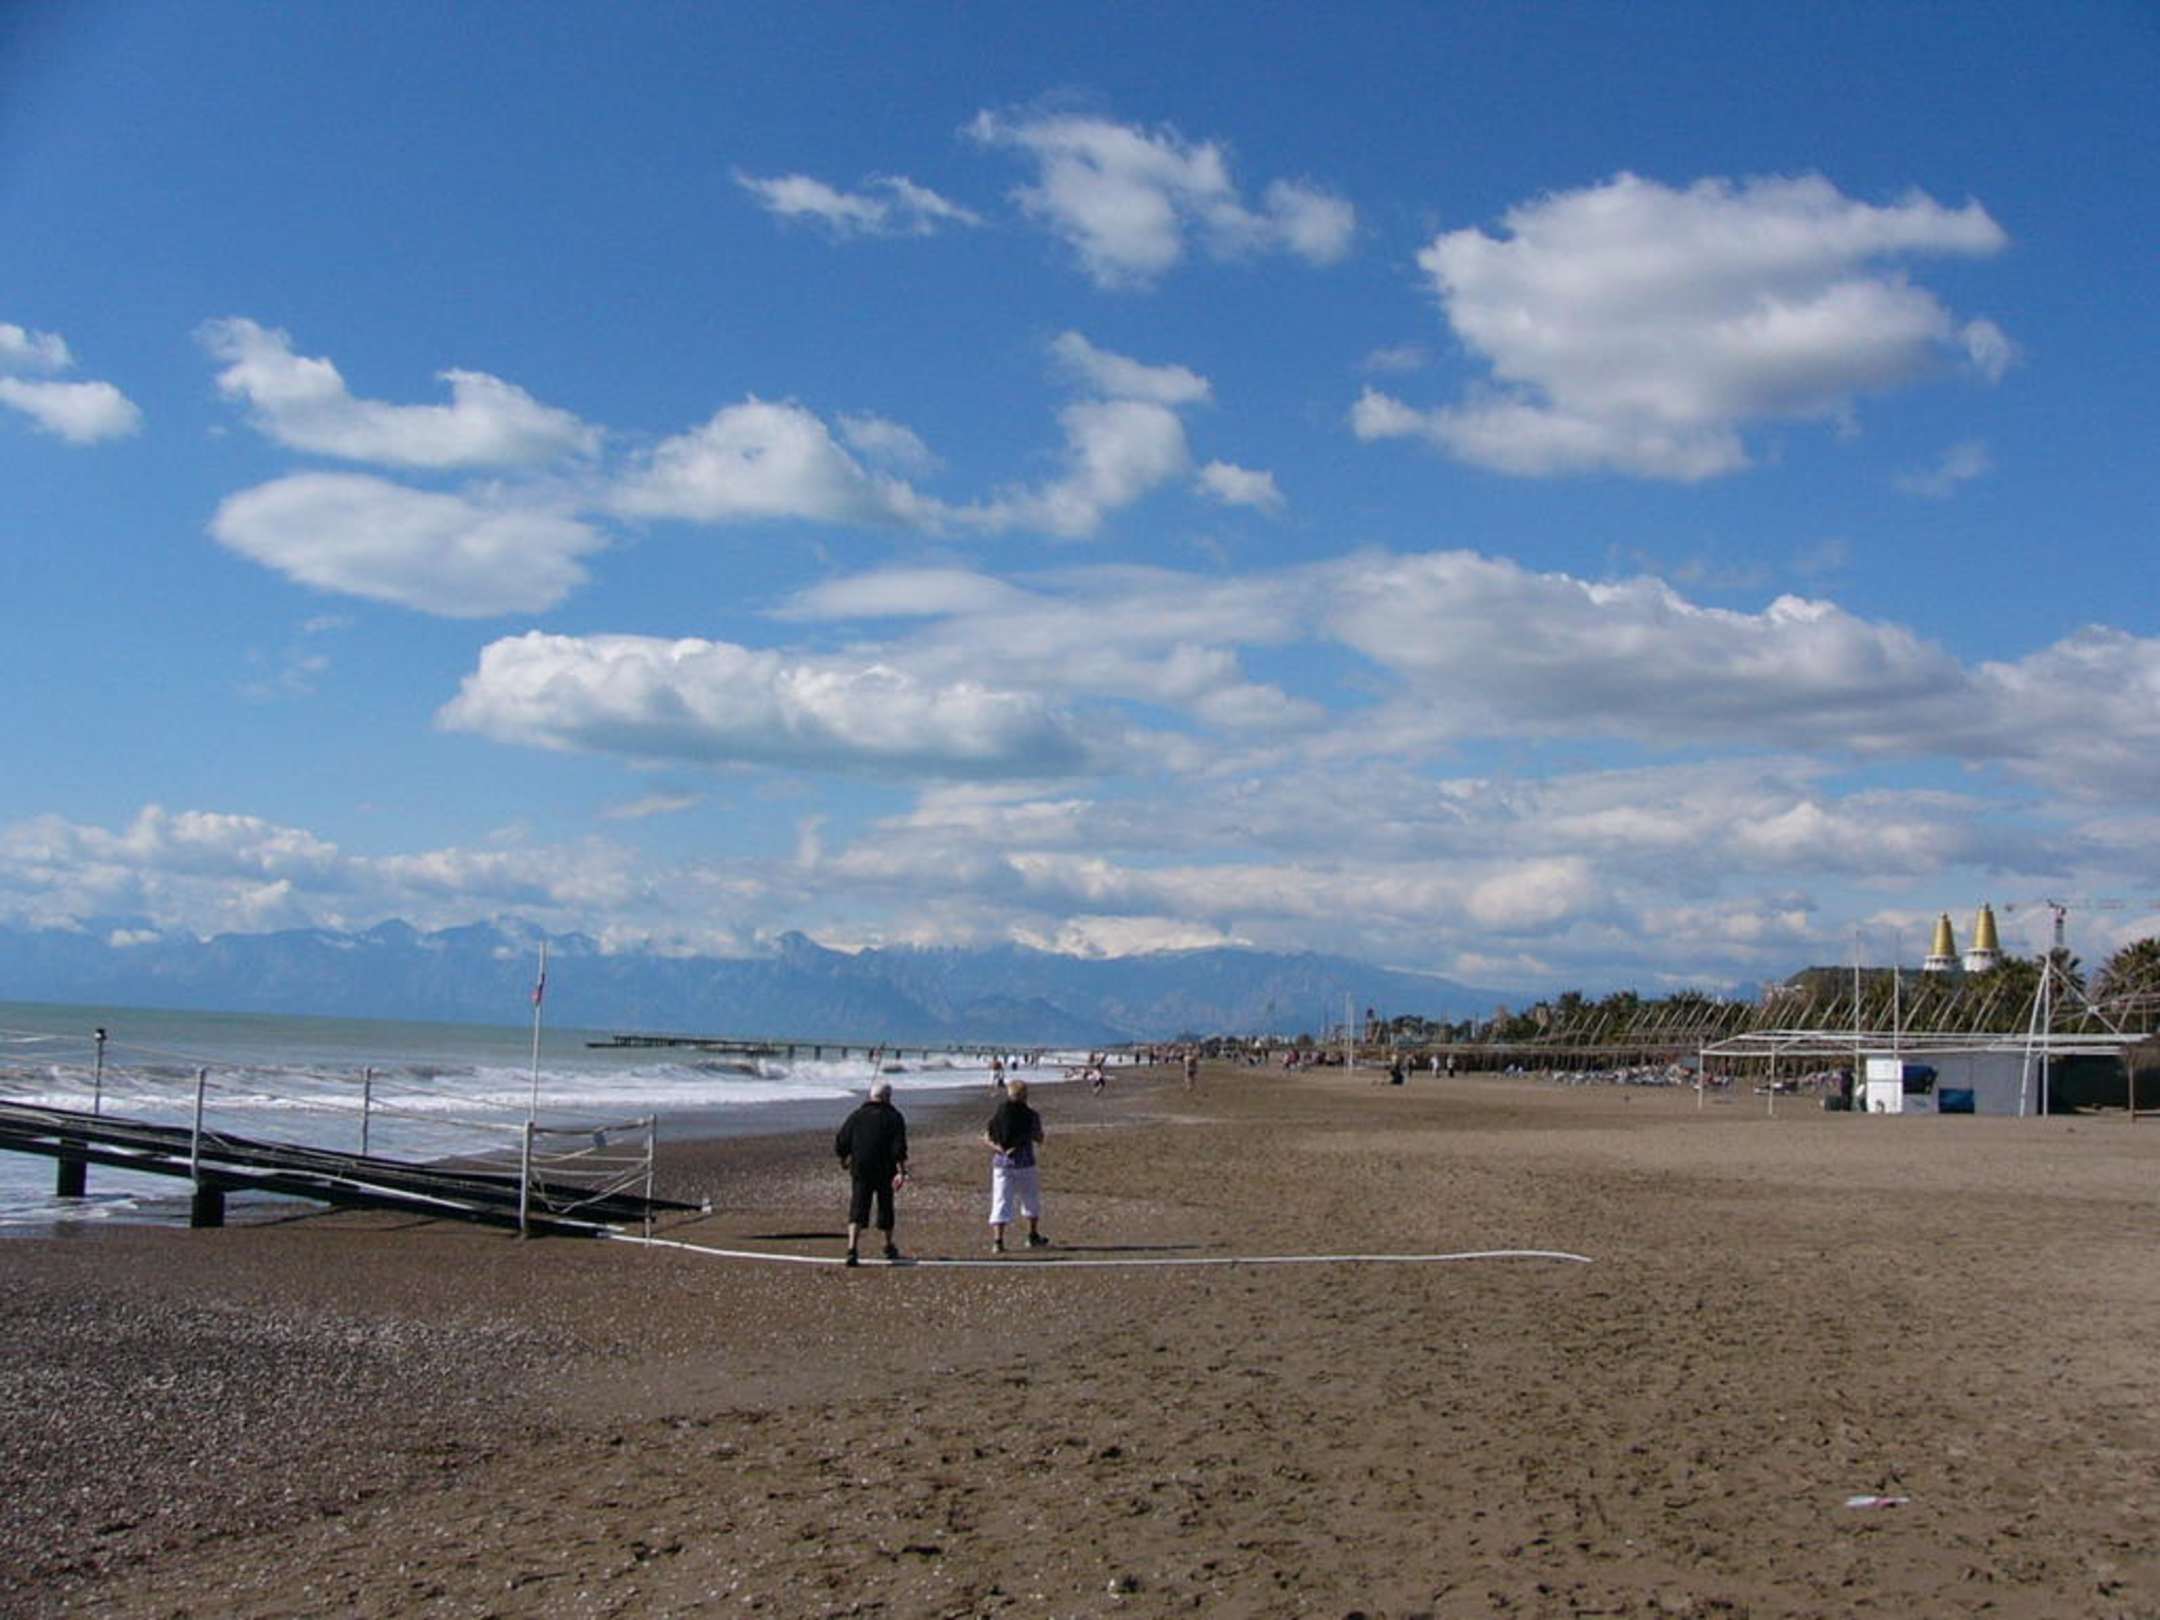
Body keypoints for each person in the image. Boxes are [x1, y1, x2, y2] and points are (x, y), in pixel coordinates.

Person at [833, 1079, 909, 1266]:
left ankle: (852, 1247)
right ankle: (888, 1245)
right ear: (888, 1097)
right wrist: (901, 1171)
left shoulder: (857, 1115)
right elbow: (898, 1147)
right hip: (885, 1169)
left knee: (858, 1206)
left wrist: (843, 1158)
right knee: (885, 1206)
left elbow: (842, 1140)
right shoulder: (894, 1117)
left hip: (861, 1167)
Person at [984, 1076, 1047, 1253]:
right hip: (1025, 1162)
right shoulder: (1031, 1115)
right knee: (1030, 1199)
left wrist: (1001, 1149)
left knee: (1001, 1200)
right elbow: (1039, 1137)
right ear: (1025, 1095)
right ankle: (1032, 1235)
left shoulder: (1000, 1114)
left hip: (1002, 1163)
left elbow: (987, 1137)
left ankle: (998, 1240)